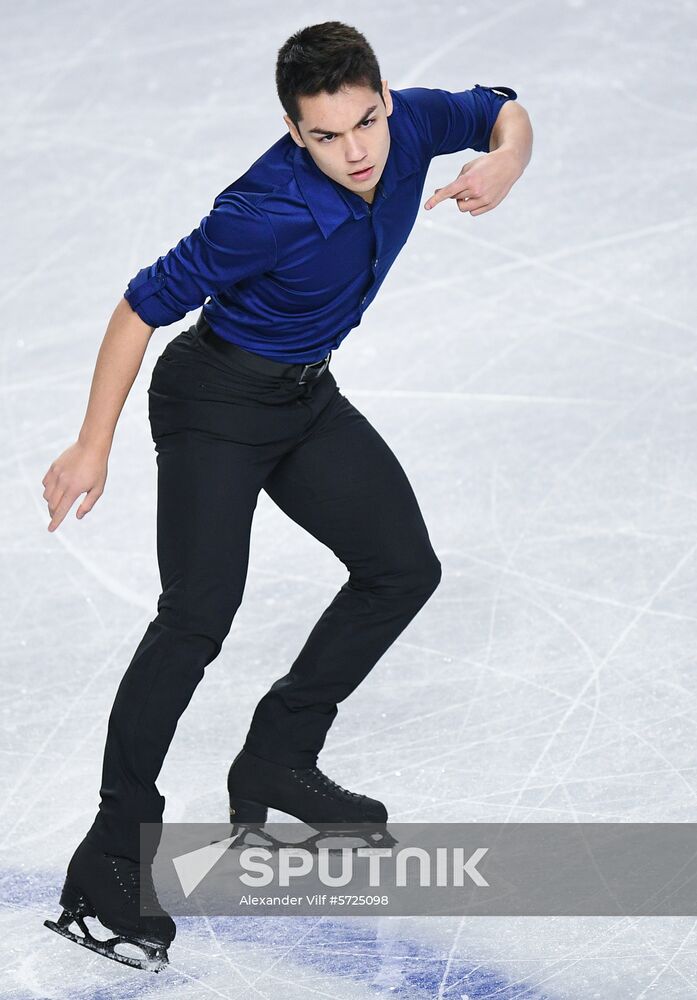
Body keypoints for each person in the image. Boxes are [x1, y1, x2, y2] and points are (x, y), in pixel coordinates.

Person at [42, 20, 532, 971]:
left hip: (304, 397)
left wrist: (507, 160)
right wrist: (93, 443)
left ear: (383, 98)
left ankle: (277, 755)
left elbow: (502, 109)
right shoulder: (263, 209)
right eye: (325, 135)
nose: (355, 152)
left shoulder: (411, 123)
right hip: (214, 403)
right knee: (196, 617)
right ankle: (108, 860)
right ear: (292, 131)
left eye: (365, 123)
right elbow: (141, 305)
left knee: (400, 568)